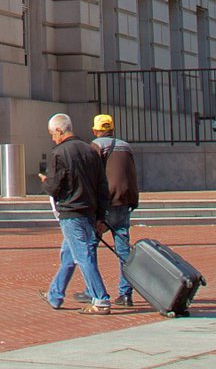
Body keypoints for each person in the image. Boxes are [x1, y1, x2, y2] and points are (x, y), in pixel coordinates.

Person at [37, 113, 113, 314]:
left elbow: (54, 187)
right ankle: (55, 295)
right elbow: (102, 186)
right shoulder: (90, 150)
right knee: (69, 255)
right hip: (88, 210)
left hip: (71, 211)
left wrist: (45, 182)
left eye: (53, 134)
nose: (53, 138)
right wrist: (101, 215)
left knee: (83, 255)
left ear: (59, 130)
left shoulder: (58, 153)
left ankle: (101, 299)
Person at [90, 114, 141, 308]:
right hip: (124, 202)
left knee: (90, 247)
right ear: (112, 129)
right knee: (123, 250)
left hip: (105, 204)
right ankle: (126, 294)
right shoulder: (125, 146)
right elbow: (132, 174)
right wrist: (133, 200)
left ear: (95, 130)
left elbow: (93, 177)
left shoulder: (96, 146)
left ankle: (92, 290)